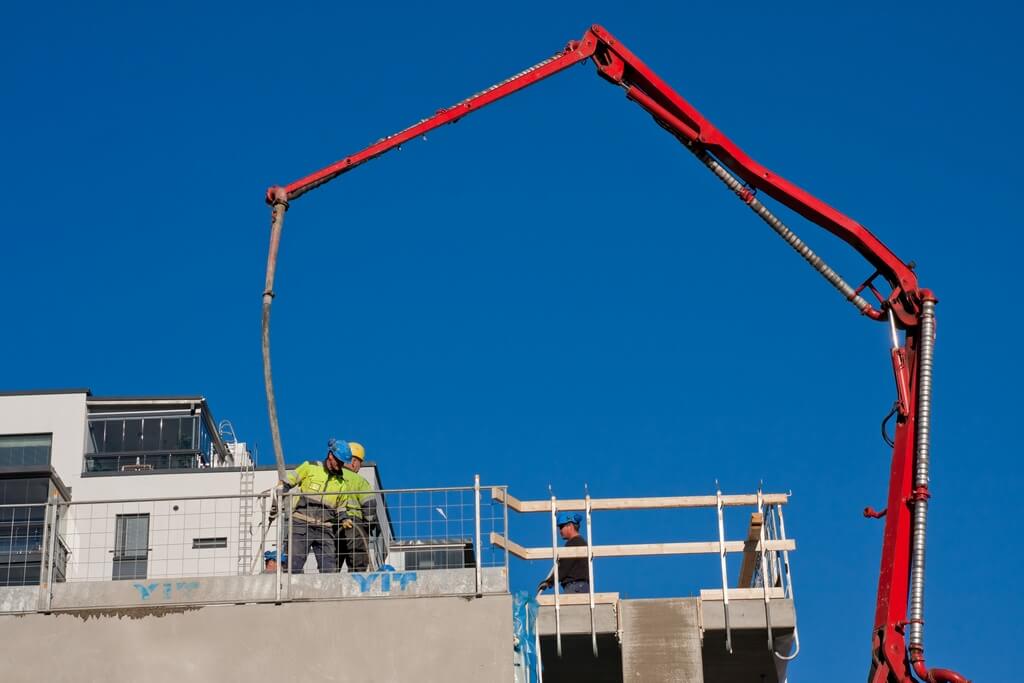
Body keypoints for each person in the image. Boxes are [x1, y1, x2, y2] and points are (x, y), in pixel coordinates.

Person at [281, 440, 351, 573]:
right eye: (339, 461)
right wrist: (280, 492)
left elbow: (341, 506)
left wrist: (344, 518)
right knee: (293, 565)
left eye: (342, 463)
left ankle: (326, 593)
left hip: (325, 528)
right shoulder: (310, 467)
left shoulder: (342, 483)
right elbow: (288, 481)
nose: (341, 465)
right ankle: (287, 593)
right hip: (301, 523)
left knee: (329, 569)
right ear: (331, 455)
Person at [335, 441, 377, 572]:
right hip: (354, 526)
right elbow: (369, 505)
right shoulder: (359, 480)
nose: (359, 467)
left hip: (333, 525)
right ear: (353, 462)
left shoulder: (332, 477)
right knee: (357, 566)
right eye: (360, 463)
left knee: (331, 568)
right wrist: (369, 524)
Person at [537, 513, 591, 594]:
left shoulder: (574, 543)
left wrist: (549, 582)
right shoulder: (581, 542)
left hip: (575, 587)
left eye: (562, 526)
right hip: (581, 587)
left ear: (570, 525)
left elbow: (564, 568)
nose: (560, 531)